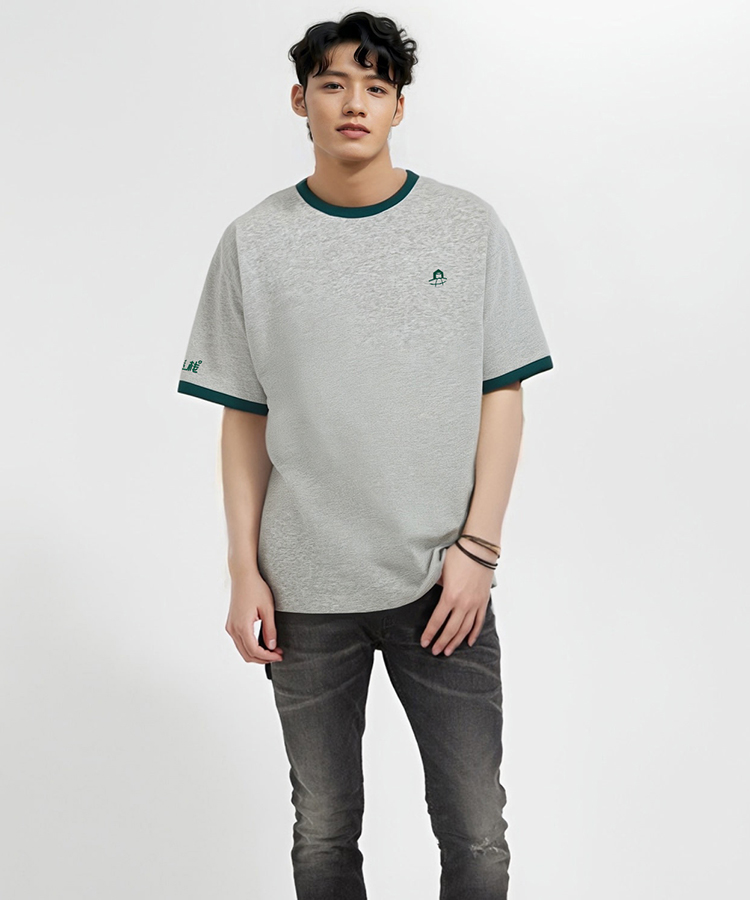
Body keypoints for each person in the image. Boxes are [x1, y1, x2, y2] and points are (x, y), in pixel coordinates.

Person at [177, 11, 553, 899]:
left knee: (477, 834)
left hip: (441, 584)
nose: (355, 104)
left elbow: (503, 393)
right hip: (304, 593)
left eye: (376, 87)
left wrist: (479, 552)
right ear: (299, 100)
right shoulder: (254, 242)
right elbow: (242, 418)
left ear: (398, 107)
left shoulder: (465, 227)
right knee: (323, 833)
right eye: (334, 85)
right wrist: (242, 570)